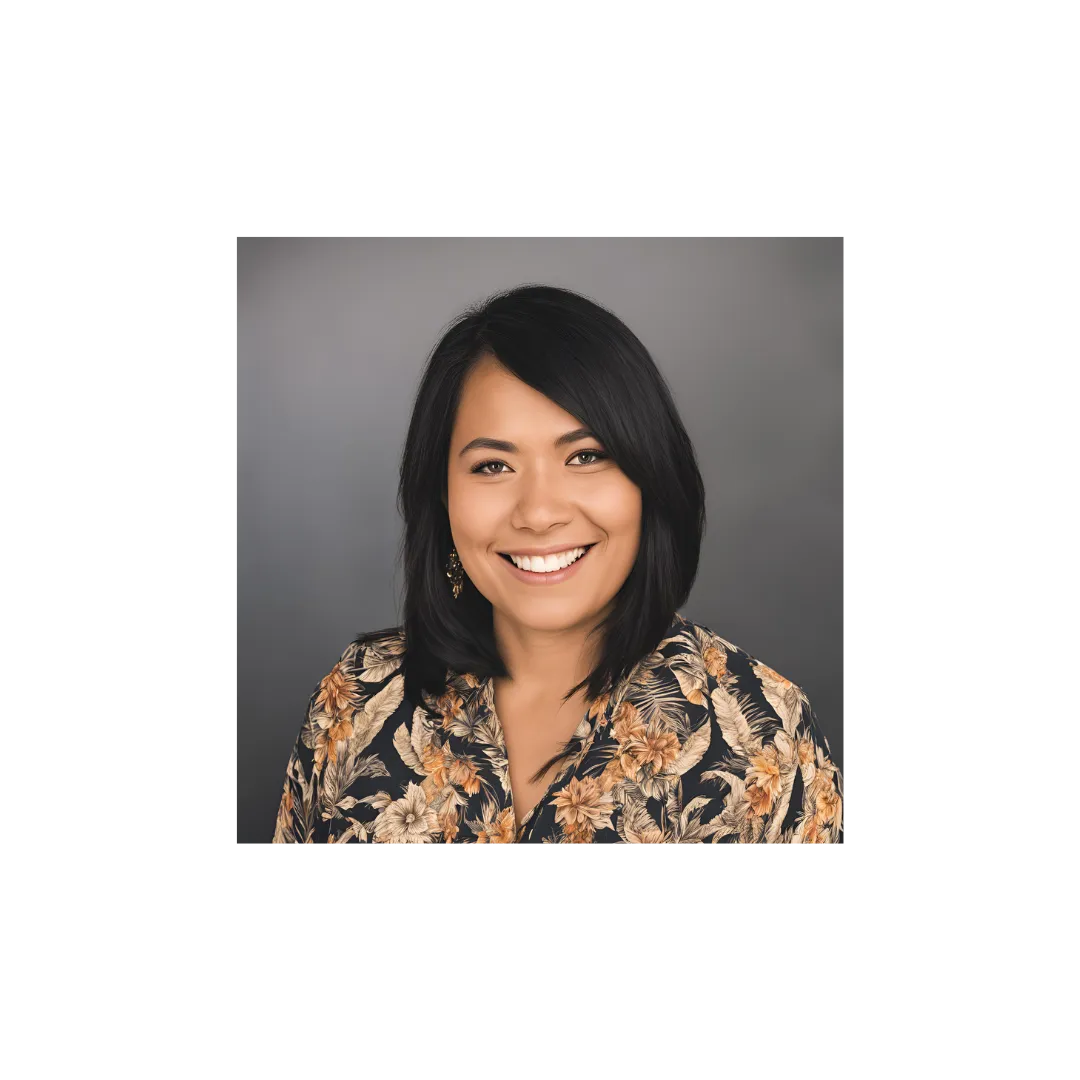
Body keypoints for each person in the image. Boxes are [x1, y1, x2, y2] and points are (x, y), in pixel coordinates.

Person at [273, 284, 845, 846]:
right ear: (441, 495)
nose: (539, 513)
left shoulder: (763, 732)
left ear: (649, 478)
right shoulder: (358, 696)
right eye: (493, 466)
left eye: (586, 456)